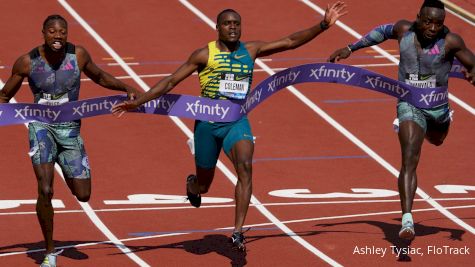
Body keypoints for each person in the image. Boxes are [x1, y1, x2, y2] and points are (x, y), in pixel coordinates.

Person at [112, 2, 347, 251]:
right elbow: (171, 81)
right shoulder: (204, 54)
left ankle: (237, 232)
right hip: (207, 124)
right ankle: (193, 184)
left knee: (245, 166)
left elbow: (289, 41)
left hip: (236, 121)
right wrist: (138, 102)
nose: (232, 27)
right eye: (227, 23)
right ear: (217, 28)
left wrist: (323, 25)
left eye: (236, 23)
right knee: (204, 184)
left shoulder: (252, 49)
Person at [328, 0, 475, 240]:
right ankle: (407, 220)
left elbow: (472, 63)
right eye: (427, 21)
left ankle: (432, 129)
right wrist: (350, 48)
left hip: (438, 109)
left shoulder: (451, 41)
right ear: (418, 18)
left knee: (437, 140)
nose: (432, 27)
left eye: (438, 23)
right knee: (409, 157)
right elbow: (381, 33)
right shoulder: (403, 30)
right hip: (409, 103)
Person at [0, 15, 139, 267]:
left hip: (70, 129)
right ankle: (49, 252)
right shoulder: (27, 62)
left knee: (83, 194)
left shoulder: (79, 56)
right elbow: (5, 95)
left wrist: (124, 86)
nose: (58, 36)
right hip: (41, 128)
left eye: (62, 32)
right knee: (45, 189)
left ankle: (66, 165)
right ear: (43, 33)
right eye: (52, 32)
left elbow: (99, 76)